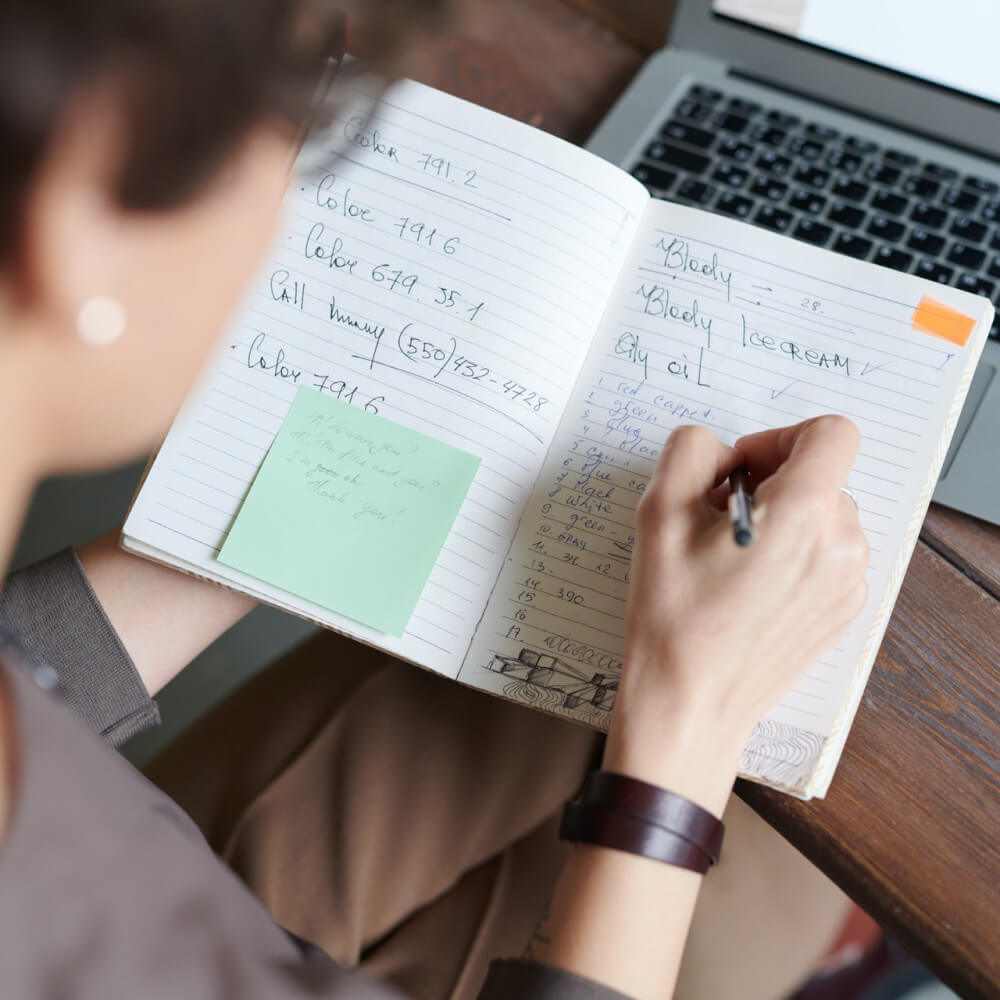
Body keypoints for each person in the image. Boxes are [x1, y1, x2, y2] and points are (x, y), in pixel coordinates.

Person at [0, 0, 870, 997]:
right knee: (770, 799)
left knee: (566, 660)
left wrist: (237, 515)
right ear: (80, 215)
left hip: (140, 853)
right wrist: (686, 723)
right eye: (294, 136)